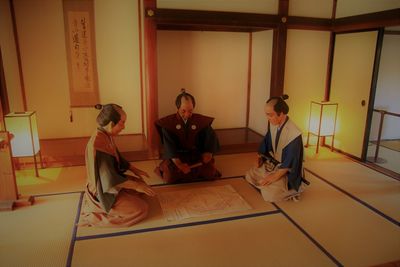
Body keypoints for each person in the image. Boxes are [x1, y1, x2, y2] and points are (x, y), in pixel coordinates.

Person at [80, 104, 156, 227]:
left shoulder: (104, 134)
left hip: (111, 181)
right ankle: (95, 217)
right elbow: (110, 179)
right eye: (122, 123)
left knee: (143, 188)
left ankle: (125, 198)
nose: (124, 127)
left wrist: (135, 170)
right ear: (111, 124)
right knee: (141, 209)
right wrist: (135, 186)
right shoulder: (98, 145)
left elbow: (117, 158)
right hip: (102, 191)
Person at [245, 95, 307, 202]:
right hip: (274, 165)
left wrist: (274, 177)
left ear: (281, 113)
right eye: (266, 115)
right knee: (249, 175)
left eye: (270, 115)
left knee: (270, 196)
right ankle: (267, 183)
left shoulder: (294, 134)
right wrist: (259, 157)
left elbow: (290, 163)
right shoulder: (274, 125)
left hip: (286, 172)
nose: (268, 118)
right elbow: (266, 143)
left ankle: (292, 189)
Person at [155, 89, 221, 183]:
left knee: (209, 173)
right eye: (183, 111)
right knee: (170, 177)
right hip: (177, 157)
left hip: (196, 155)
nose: (187, 114)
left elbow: (210, 138)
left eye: (190, 111)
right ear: (177, 108)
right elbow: (169, 147)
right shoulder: (168, 123)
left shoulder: (200, 121)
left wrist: (208, 153)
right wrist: (180, 165)